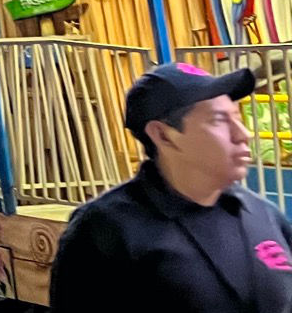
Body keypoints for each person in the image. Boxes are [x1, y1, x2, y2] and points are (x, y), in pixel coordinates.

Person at [50, 63, 292, 312]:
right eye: (219, 120)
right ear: (163, 135)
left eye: (237, 118)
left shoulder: (263, 215)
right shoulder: (105, 230)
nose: (243, 134)